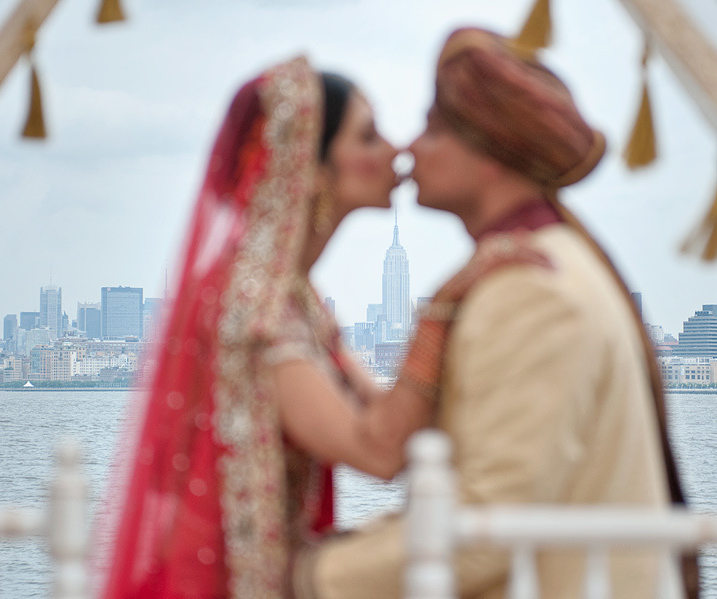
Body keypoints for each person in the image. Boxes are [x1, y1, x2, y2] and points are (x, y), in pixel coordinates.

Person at [94, 55, 546, 599]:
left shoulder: (297, 297)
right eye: (369, 137)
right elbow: (378, 450)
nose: (397, 151)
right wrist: (443, 309)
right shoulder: (255, 306)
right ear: (309, 170)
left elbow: (385, 422)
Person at [293, 28, 697, 599]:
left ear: (487, 159)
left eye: (432, 129)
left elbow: (486, 529)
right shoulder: (543, 265)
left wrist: (306, 578)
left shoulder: (528, 290)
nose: (409, 148)